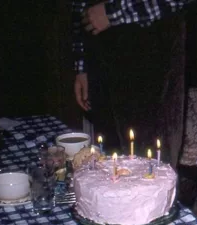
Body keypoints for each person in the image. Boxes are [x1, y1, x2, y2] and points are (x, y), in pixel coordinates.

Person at [72, 0, 189, 167]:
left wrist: (113, 12)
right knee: (108, 161)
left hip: (149, 50)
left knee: (149, 161)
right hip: (99, 54)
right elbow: (80, 9)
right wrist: (81, 67)